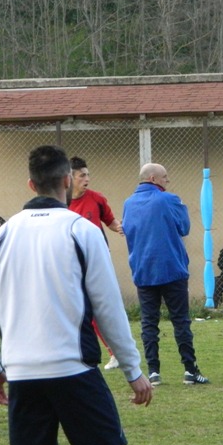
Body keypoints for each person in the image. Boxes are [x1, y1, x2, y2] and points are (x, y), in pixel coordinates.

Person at [0, 145, 151, 445]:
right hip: (72, 368)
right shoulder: (81, 230)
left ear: (30, 184)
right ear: (68, 180)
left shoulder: (3, 236)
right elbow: (108, 307)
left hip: (21, 371)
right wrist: (132, 369)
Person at [123, 162, 209, 386]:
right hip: (171, 269)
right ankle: (190, 370)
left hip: (143, 270)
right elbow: (185, 228)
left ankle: (153, 372)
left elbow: (128, 233)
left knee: (148, 322)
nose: (167, 181)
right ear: (153, 179)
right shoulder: (169, 199)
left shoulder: (128, 204)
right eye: (164, 177)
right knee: (180, 320)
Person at [69, 155, 124, 370]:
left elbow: (110, 221)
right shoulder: (62, 204)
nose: (87, 179)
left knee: (100, 307)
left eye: (88, 175)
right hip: (73, 263)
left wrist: (120, 227)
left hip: (98, 261)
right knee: (79, 310)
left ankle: (116, 352)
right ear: (70, 178)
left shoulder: (97, 198)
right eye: (82, 175)